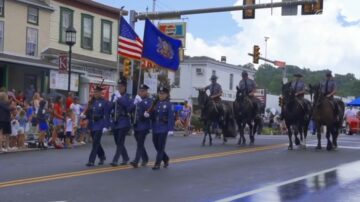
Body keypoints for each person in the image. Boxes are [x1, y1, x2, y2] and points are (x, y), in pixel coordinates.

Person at [145, 85, 174, 170]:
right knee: (156, 145)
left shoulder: (169, 104)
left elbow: (170, 117)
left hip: (163, 127)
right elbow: (152, 114)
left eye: (163, 94)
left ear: (167, 95)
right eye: (160, 94)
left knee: (161, 146)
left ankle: (157, 163)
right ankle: (166, 158)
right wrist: (148, 114)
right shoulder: (155, 104)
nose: (161, 95)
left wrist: (170, 129)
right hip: (155, 127)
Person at [83, 85, 109, 167]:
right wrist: (84, 116)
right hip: (92, 124)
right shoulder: (91, 102)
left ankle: (91, 160)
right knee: (96, 142)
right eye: (94, 92)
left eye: (97, 92)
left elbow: (106, 115)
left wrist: (106, 126)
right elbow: (89, 113)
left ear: (101, 93)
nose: (95, 93)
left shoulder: (104, 102)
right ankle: (102, 156)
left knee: (95, 143)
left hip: (100, 124)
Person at [109, 79, 133, 166]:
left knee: (120, 141)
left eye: (121, 86)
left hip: (124, 121)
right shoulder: (114, 95)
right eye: (118, 86)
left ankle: (115, 160)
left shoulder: (128, 96)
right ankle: (125, 157)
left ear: (125, 87)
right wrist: (113, 100)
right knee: (117, 142)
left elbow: (128, 106)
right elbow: (109, 107)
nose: (119, 88)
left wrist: (119, 98)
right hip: (115, 121)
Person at [130, 84, 153, 168]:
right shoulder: (137, 99)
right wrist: (134, 103)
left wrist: (141, 102)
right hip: (136, 124)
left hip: (144, 125)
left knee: (140, 143)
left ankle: (136, 160)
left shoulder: (149, 100)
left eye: (143, 91)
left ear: (146, 92)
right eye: (140, 91)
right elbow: (129, 109)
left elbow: (149, 108)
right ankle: (145, 158)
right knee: (140, 143)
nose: (141, 92)